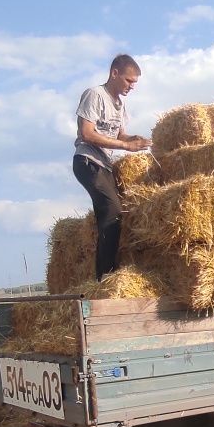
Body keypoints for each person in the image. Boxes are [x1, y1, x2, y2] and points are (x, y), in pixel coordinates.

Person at [73, 54, 151, 280]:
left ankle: (108, 272)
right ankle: (106, 277)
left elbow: (119, 134)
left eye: (135, 82)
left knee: (116, 213)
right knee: (113, 211)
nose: (132, 86)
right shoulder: (95, 95)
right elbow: (86, 134)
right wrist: (126, 145)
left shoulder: (119, 104)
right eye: (129, 81)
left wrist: (133, 138)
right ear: (114, 73)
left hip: (104, 165)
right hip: (88, 162)